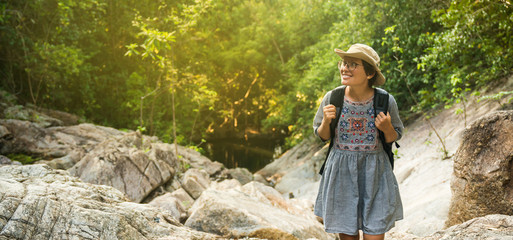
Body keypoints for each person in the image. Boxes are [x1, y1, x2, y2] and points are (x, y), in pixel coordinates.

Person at [312, 43, 404, 240]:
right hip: (341, 176)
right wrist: (327, 122)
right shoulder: (333, 98)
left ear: (369, 73)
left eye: (353, 64)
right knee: (348, 237)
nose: (345, 68)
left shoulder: (385, 101)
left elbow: (394, 136)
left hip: (376, 176)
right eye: (344, 63)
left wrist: (387, 128)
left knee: (375, 235)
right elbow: (322, 136)